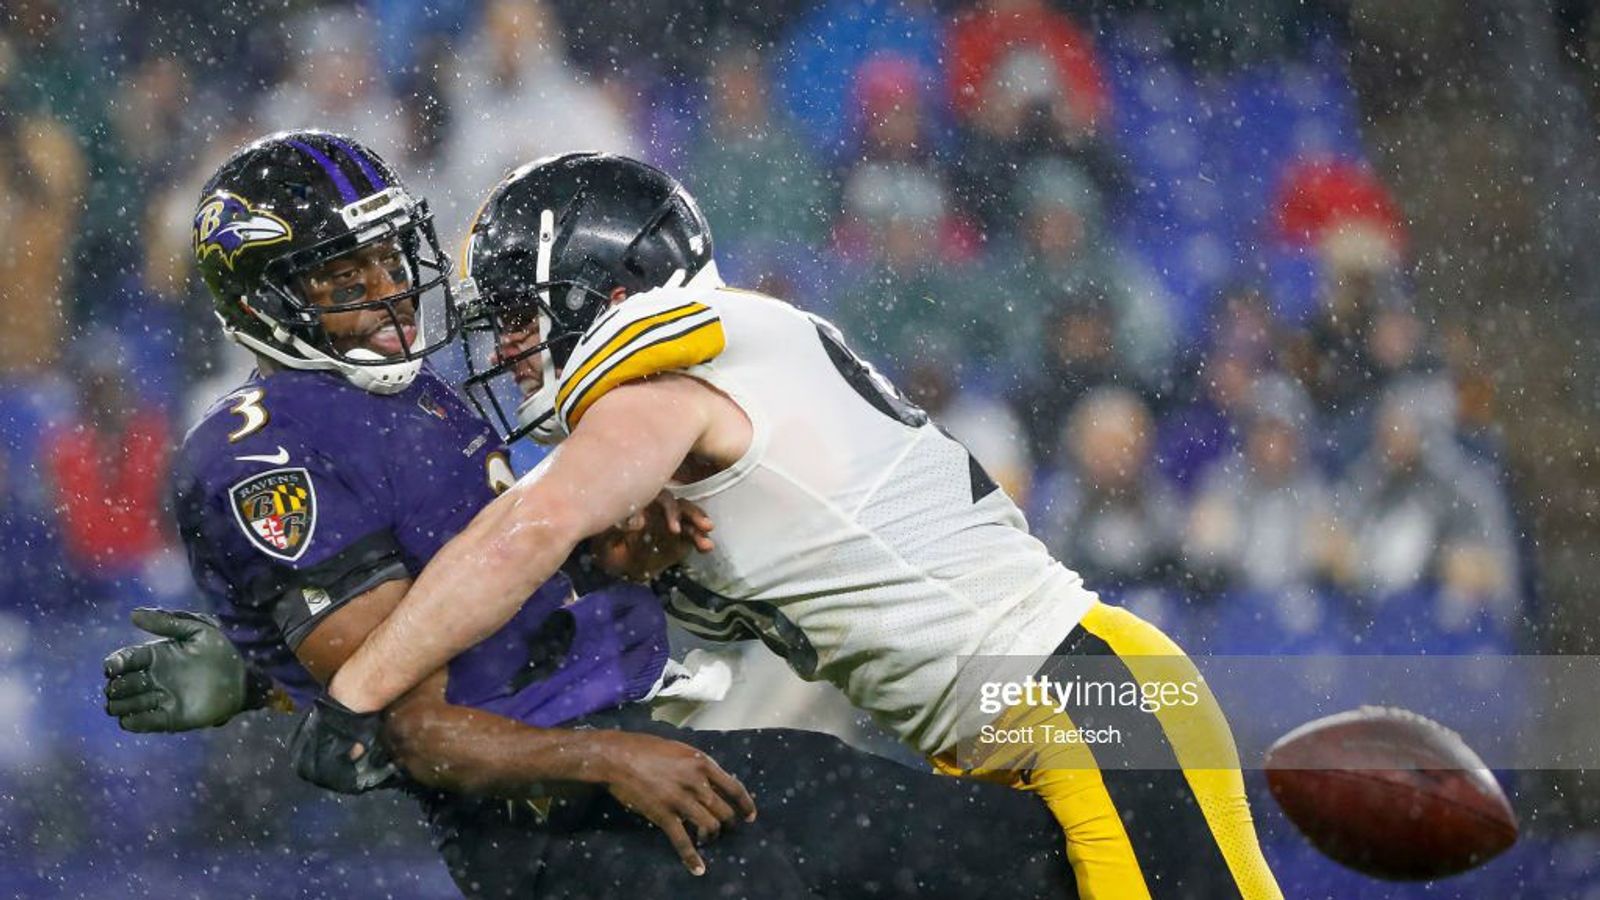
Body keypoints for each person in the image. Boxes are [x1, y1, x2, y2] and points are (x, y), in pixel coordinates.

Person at [115, 129, 1074, 899]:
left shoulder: (416, 399)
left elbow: (467, 603)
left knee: (1009, 850)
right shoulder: (263, 453)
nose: (387, 294)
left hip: (673, 750)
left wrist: (601, 566)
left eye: (385, 257)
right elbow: (405, 720)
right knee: (1038, 853)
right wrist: (607, 756)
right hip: (569, 822)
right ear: (262, 298)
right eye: (343, 279)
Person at [305, 152, 1284, 899]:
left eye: (520, 312)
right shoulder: (690, 422)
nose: (505, 347)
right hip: (1018, 723)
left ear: (601, 290)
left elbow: (529, 529)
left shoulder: (670, 364)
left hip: (1081, 699)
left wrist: (360, 689)